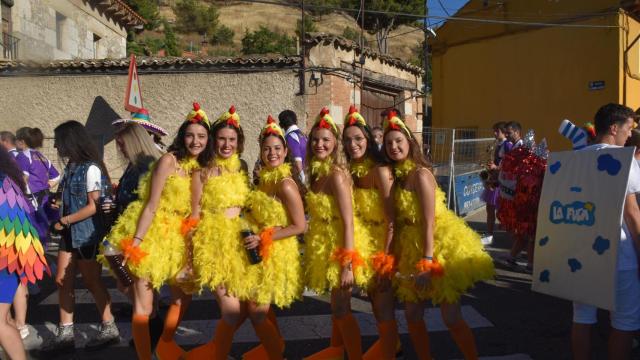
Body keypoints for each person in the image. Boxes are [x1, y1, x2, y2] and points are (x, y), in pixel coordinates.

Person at [383, 112, 494, 360]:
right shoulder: (398, 177)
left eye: (398, 141)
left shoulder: (422, 174)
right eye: (389, 143)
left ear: (410, 142)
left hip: (436, 245)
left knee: (450, 317)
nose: (393, 147)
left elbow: (429, 221)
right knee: (412, 315)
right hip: (411, 244)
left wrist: (427, 261)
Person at [106, 103, 211, 360]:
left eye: (201, 136)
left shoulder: (202, 168)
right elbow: (151, 205)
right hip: (154, 233)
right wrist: (137, 243)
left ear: (208, 140)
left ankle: (164, 343)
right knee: (144, 305)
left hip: (180, 237)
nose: (195, 141)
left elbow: (196, 212)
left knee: (182, 298)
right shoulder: (168, 160)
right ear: (181, 136)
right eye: (190, 135)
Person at [40, 121, 119, 355]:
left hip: (86, 235)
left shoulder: (90, 168)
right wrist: (58, 202)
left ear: (70, 141)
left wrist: (64, 220)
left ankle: (109, 326)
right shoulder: (72, 167)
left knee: (92, 282)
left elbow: (93, 206)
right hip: (69, 233)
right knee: (62, 281)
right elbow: (70, 199)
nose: (55, 146)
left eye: (58, 141)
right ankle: (65, 332)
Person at [303, 107, 374, 360]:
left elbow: (348, 221)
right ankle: (337, 350)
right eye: (315, 139)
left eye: (326, 140)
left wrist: (347, 264)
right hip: (325, 244)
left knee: (342, 308)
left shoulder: (337, 175)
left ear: (335, 144)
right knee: (336, 307)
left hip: (341, 247)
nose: (319, 144)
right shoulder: (315, 173)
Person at [572, 103, 640, 360]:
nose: (630, 135)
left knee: (582, 318)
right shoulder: (625, 160)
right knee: (624, 322)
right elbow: (632, 213)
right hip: (619, 254)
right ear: (614, 128)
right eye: (628, 128)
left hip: (580, 254)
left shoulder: (574, 159)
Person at [186, 105, 254, 360]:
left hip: (240, 245)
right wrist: (191, 256)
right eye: (222, 139)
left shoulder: (241, 169)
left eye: (232, 140)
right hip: (213, 246)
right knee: (231, 311)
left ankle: (215, 349)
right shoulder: (201, 173)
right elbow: (193, 216)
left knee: (248, 306)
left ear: (239, 143)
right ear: (214, 140)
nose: (227, 145)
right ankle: (216, 354)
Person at [240, 115, 306, 360]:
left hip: (276, 252)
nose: (272, 153)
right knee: (259, 309)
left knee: (257, 311)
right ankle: (275, 348)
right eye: (267, 149)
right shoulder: (263, 180)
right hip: (259, 249)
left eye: (277, 148)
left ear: (286, 150)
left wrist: (264, 236)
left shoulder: (285, 184)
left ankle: (277, 355)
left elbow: (300, 226)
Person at [342, 105, 399, 359]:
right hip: (366, 244)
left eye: (358, 138)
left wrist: (386, 262)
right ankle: (393, 347)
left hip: (385, 245)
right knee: (376, 305)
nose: (353, 144)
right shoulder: (354, 172)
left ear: (368, 139)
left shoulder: (380, 171)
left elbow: (392, 220)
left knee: (384, 306)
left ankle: (391, 350)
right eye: (348, 140)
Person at [0, 147, 50, 360]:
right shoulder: (7, 180)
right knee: (4, 319)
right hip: (7, 259)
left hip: (6, 260)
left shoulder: (3, 183)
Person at [14, 127, 61, 245]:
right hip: (44, 199)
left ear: (22, 141)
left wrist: (24, 196)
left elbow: (23, 177)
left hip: (31, 201)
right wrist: (46, 186)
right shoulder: (42, 157)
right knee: (42, 234)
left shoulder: (22, 156)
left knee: (30, 237)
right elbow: (56, 176)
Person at [480, 122, 512, 244]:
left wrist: (496, 167)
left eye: (497, 131)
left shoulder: (508, 145)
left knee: (502, 211)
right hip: (494, 179)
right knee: (490, 208)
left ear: (504, 133)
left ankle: (513, 238)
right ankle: (489, 235)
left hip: (502, 182)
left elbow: (510, 165)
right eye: (494, 131)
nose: (494, 133)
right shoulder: (498, 144)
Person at [279, 110, 307, 184]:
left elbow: (297, 159)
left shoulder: (290, 137)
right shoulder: (303, 135)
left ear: (281, 125)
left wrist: (302, 181)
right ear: (296, 121)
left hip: (299, 179)